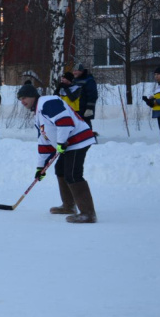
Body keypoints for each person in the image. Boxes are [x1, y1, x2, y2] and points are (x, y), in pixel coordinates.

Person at [17, 84, 97, 223]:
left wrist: (60, 143)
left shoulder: (48, 102)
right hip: (68, 144)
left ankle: (88, 213)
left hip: (78, 141)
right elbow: (44, 142)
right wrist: (40, 168)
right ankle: (69, 206)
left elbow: (65, 122)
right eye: (20, 99)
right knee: (60, 170)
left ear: (33, 96)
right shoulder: (38, 114)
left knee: (72, 174)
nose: (22, 101)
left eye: (24, 97)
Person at [143, 66, 160, 146]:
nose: (156, 76)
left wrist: (155, 102)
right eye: (155, 74)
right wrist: (150, 102)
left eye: (158, 74)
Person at [72, 63, 98, 128]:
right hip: (76, 108)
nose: (74, 72)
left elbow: (92, 95)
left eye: (76, 71)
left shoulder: (89, 80)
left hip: (85, 109)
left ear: (81, 71)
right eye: (73, 71)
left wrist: (89, 108)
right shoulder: (74, 80)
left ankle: (90, 137)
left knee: (85, 125)